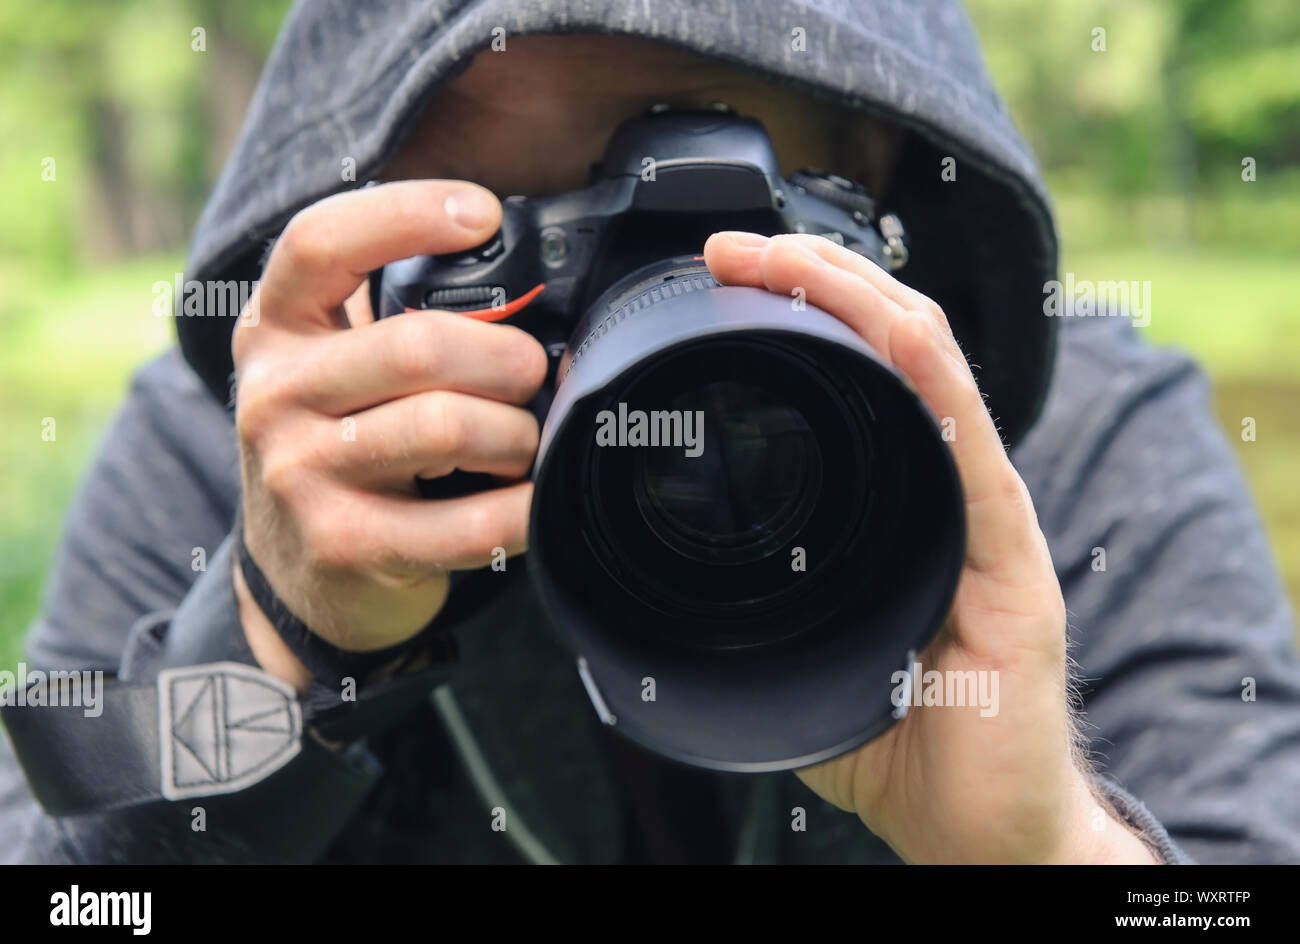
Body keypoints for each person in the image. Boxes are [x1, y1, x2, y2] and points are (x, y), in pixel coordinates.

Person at [3, 1, 1298, 864]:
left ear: (879, 174)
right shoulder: (271, 450)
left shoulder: (1070, 443)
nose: (608, 316)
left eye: (682, 194)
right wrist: (272, 646)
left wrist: (1051, 848)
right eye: (490, 236)